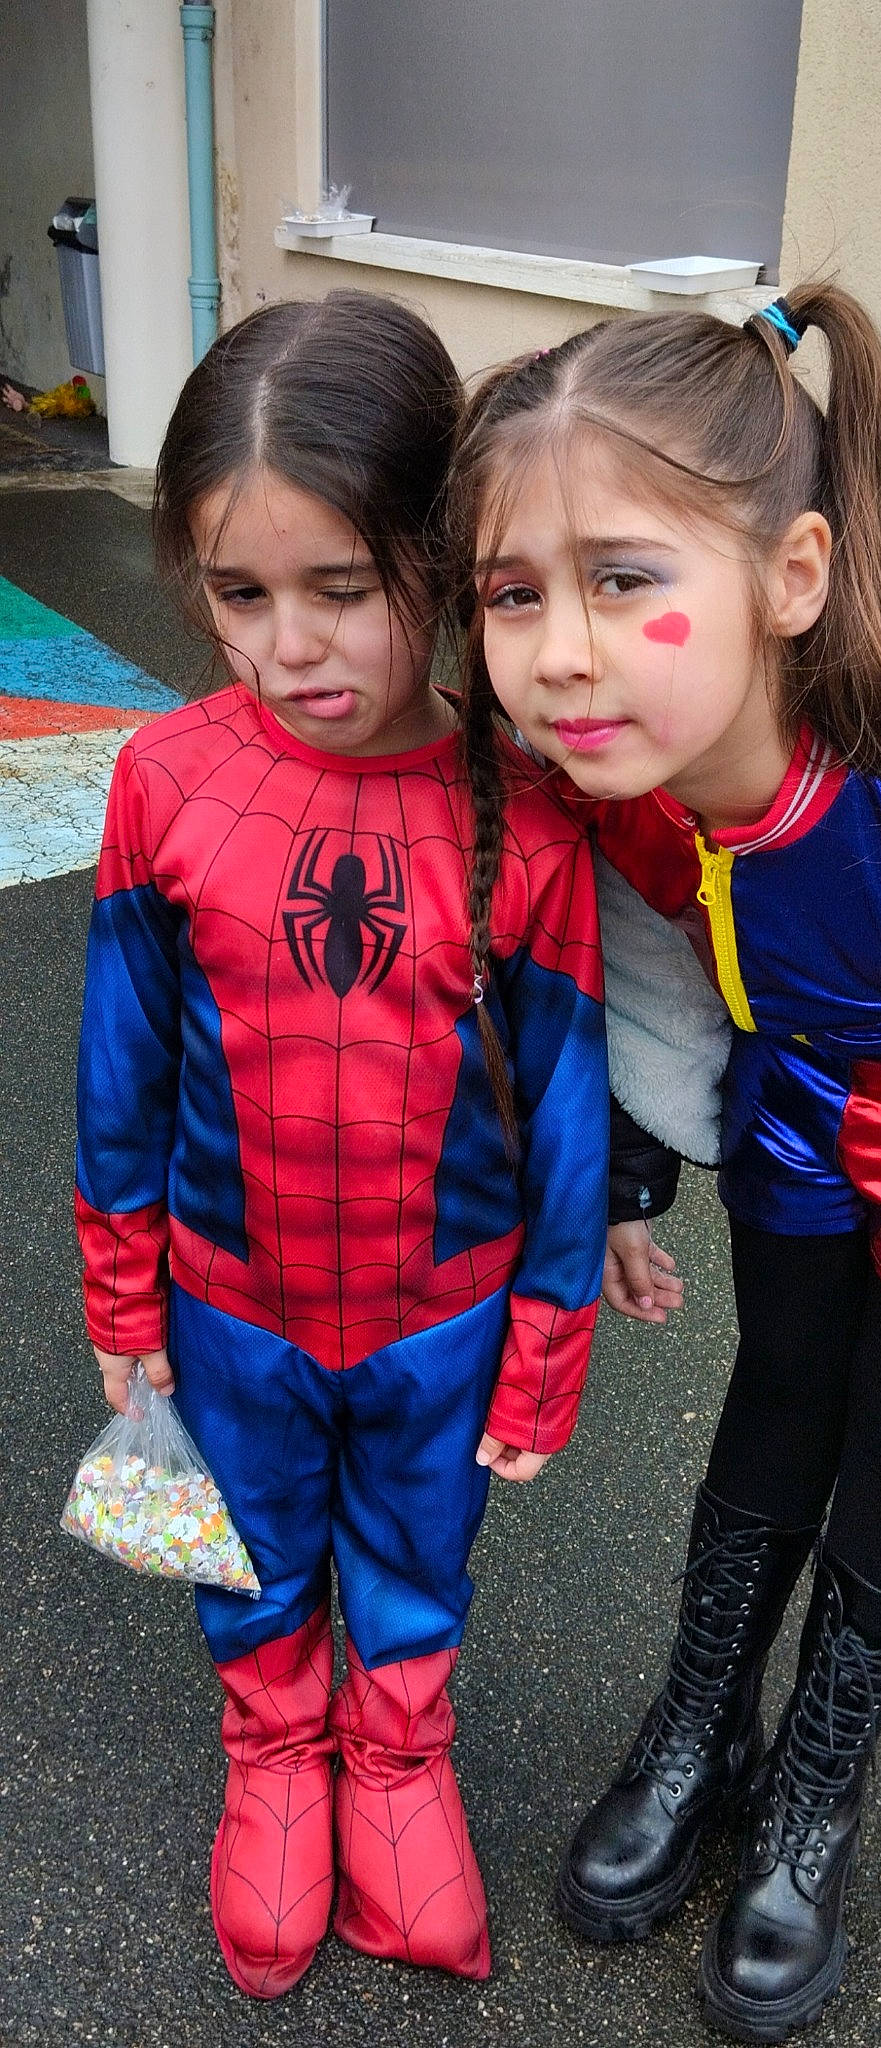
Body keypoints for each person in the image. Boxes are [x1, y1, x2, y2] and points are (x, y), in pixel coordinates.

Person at [453, 283, 881, 2041]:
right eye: (514, 594)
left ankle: (812, 1806)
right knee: (773, 1406)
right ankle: (705, 1731)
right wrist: (630, 1173)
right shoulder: (635, 789)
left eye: (626, 580)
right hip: (794, 1138)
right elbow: (645, 974)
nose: (561, 652)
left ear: (792, 578)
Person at [74, 289, 609, 2001]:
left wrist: (544, 1340)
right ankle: (272, 1759)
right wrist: (122, 1297)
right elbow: (122, 1072)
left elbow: (569, 1098)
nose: (291, 645)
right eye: (241, 594)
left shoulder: (527, 809)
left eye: (342, 587)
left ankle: (395, 1766)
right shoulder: (165, 782)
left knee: (411, 1551)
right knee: (244, 1533)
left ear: (437, 568)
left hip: (438, 1317)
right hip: (231, 1302)